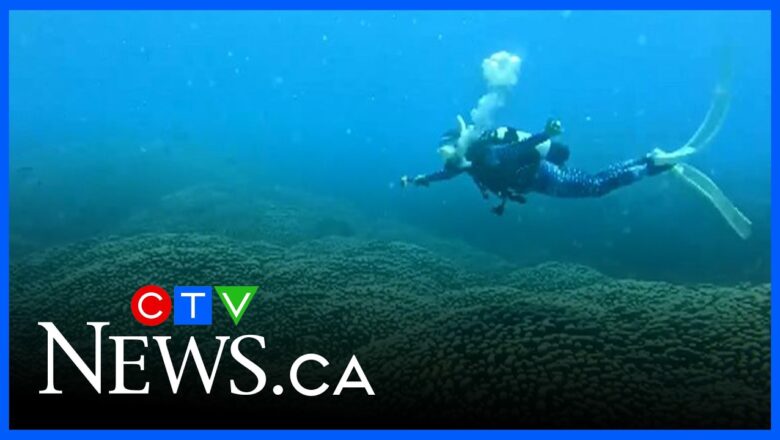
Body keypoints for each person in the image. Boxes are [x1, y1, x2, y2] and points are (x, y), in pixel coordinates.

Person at [401, 118, 673, 215]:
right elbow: (445, 174)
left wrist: (546, 134)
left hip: (544, 176)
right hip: (536, 181)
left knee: (596, 187)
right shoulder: (466, 164)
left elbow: (519, 149)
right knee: (595, 182)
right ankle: (645, 159)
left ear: (460, 145)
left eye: (447, 149)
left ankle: (651, 165)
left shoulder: (487, 155)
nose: (445, 157)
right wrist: (417, 179)